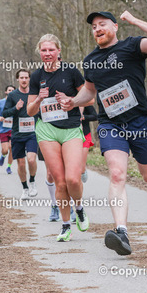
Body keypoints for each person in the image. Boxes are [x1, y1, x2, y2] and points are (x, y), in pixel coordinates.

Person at [58, 10, 147, 256]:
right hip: (111, 124)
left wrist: (135, 20)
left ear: (115, 27)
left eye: (102, 24)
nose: (97, 29)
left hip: (140, 121)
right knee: (117, 174)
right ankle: (121, 232)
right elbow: (90, 91)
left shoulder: (132, 47)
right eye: (94, 27)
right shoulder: (90, 60)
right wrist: (73, 102)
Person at [26, 34, 90, 242]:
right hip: (46, 130)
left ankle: (79, 208)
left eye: (51, 50)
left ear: (59, 51)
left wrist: (71, 100)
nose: (47, 54)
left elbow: (89, 100)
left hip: (70, 129)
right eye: (43, 50)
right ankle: (65, 225)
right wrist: (38, 99)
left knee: (73, 178)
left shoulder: (71, 71)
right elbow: (29, 111)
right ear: (39, 52)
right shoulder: (36, 76)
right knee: (60, 182)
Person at [1, 70, 40, 199]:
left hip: (32, 133)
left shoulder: (34, 93)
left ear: (29, 79)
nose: (24, 80)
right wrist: (16, 108)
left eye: (26, 77)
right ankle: (25, 188)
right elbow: (5, 113)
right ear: (17, 79)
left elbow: (41, 110)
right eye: (21, 78)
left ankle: (32, 181)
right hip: (17, 134)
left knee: (31, 159)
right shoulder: (12, 95)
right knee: (21, 163)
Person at [0, 85, 15, 172]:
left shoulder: (17, 102)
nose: (11, 92)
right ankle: (3, 155)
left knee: (11, 147)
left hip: (13, 129)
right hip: (2, 129)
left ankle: (9, 167)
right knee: (5, 149)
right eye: (9, 90)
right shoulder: (0, 102)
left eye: (13, 90)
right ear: (6, 92)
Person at [80, 105, 98, 183]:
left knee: (81, 167)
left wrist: (84, 117)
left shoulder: (85, 103)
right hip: (70, 136)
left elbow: (95, 116)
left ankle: (83, 171)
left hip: (85, 135)